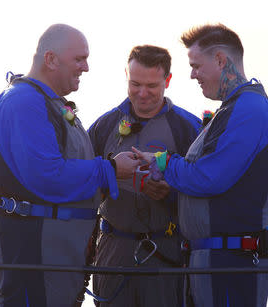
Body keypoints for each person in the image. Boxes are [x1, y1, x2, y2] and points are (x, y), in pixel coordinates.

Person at [0, 24, 140, 307]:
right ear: (50, 59)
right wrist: (110, 170)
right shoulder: (23, 103)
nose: (85, 67)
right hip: (29, 252)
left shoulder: (46, 103)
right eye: (79, 59)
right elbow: (46, 175)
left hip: (51, 256)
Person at [133, 23, 268, 306]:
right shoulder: (232, 108)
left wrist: (163, 162)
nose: (192, 75)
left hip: (231, 262)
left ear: (220, 60)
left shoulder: (249, 109)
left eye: (196, 65)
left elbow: (209, 178)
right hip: (214, 260)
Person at [88, 45, 201, 307]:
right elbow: (82, 188)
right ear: (126, 76)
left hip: (166, 251)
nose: (142, 93)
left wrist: (169, 194)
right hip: (113, 250)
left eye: (152, 85)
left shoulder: (189, 129)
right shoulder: (103, 127)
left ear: (168, 80)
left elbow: (205, 192)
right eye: (135, 83)